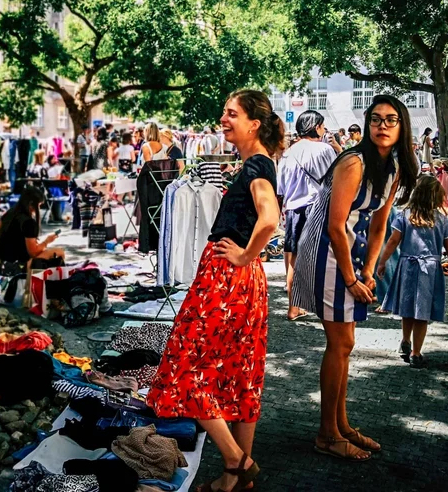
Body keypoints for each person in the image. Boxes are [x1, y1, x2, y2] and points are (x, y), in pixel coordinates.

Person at [147, 89, 283, 492]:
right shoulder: (256, 164)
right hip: (242, 279)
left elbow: (270, 218)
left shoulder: (257, 165)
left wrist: (242, 256)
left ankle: (236, 460)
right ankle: (233, 481)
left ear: (254, 123)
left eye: (231, 114)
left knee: (184, 367)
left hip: (227, 276)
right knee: (240, 373)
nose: (223, 119)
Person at [291, 95, 418, 461]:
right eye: (376, 119)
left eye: (391, 120)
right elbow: (333, 226)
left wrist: (369, 269)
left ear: (401, 126)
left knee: (344, 345)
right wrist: (350, 278)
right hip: (325, 253)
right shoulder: (353, 161)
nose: (382, 125)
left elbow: (380, 223)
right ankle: (327, 433)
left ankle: (341, 424)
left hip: (352, 253)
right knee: (340, 343)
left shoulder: (393, 167)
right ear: (367, 124)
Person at [377, 176, 448, 367]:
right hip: (429, 270)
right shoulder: (442, 221)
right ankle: (416, 352)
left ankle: (405, 341)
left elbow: (392, 241)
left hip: (407, 266)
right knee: (422, 312)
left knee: (407, 308)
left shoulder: (404, 216)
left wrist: (382, 262)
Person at [277, 110, 337, 321]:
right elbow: (335, 180)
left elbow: (280, 188)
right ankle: (323, 305)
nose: (323, 129)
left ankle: (293, 307)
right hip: (317, 208)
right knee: (322, 258)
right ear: (316, 126)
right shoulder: (325, 149)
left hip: (293, 209)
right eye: (322, 125)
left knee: (293, 259)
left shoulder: (288, 152)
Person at [0, 186, 64, 270]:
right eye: (38, 205)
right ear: (31, 204)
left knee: (46, 252)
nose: (38, 209)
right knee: (59, 252)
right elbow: (34, 253)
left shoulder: (11, 212)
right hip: (16, 266)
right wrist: (47, 241)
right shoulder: (28, 222)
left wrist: (12, 240)